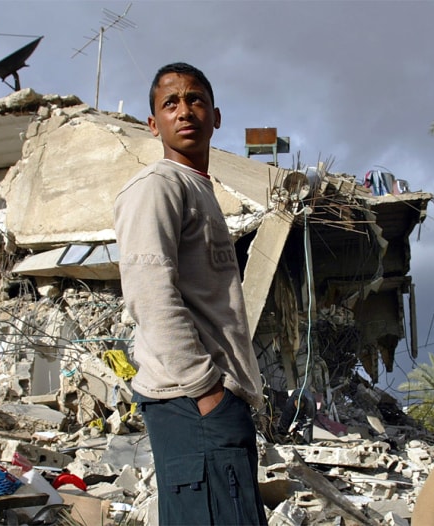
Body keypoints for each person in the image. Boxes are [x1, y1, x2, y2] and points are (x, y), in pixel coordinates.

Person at [114, 63, 267, 525]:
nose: (185, 111)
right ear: (152, 123)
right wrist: (206, 390)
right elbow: (150, 294)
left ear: (215, 116)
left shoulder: (200, 189)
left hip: (216, 404)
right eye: (170, 103)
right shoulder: (158, 186)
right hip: (193, 403)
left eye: (195, 99)